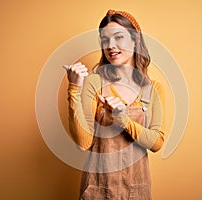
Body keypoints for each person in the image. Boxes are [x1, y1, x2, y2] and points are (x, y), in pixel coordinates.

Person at [63, 9, 165, 200]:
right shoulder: (94, 82)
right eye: (104, 40)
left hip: (137, 191)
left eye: (118, 37)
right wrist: (74, 88)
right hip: (98, 190)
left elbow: (156, 143)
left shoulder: (153, 89)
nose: (110, 46)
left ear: (135, 41)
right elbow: (83, 143)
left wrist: (123, 120)